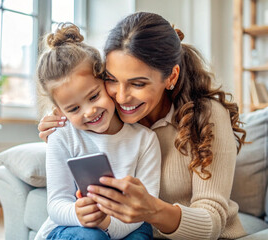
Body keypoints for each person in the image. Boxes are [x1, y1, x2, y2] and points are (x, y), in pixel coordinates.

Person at [38, 12, 247, 240]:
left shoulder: (206, 115)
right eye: (111, 79)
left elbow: (212, 223)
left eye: (137, 83)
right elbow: (77, 102)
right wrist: (59, 119)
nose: (122, 96)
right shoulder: (105, 111)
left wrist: (152, 210)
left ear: (171, 77)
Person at [34, 23, 161, 240]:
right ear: (59, 110)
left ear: (106, 81)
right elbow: (56, 204)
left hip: (130, 224)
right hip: (73, 226)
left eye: (94, 96)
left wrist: (108, 222)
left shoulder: (145, 140)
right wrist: (78, 213)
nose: (90, 111)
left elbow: (145, 208)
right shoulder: (62, 135)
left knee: (141, 235)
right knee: (92, 237)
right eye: (73, 109)